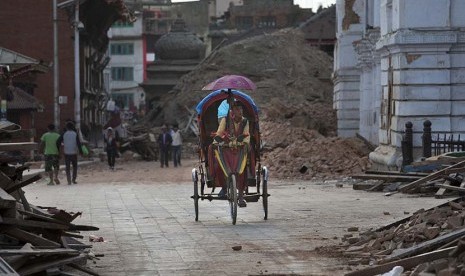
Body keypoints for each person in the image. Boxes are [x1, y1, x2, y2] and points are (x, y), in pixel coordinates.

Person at [214, 99, 250, 207]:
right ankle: (224, 188)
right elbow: (219, 133)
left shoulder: (245, 121)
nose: (240, 111)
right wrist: (217, 142)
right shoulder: (225, 120)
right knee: (218, 164)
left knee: (243, 169)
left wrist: (244, 143)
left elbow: (247, 135)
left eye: (241, 109)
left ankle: (241, 196)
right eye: (237, 109)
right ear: (232, 111)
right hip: (226, 149)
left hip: (239, 149)